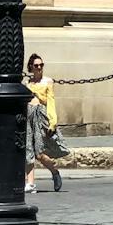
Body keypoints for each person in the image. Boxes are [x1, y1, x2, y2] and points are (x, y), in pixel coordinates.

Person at [24, 52, 69, 193]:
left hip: (41, 117)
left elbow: (50, 102)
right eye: (36, 65)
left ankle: (54, 172)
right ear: (31, 67)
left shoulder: (48, 82)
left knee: (40, 153)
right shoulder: (27, 83)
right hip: (28, 117)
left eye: (41, 65)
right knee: (28, 150)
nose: (39, 68)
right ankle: (30, 183)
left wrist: (52, 122)